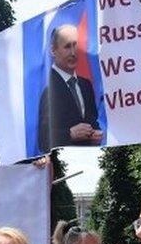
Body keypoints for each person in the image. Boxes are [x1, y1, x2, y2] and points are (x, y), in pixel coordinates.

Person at [37, 24, 102, 153]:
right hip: (64, 166)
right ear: (53, 51)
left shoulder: (86, 85)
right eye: (67, 46)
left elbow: (92, 122)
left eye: (75, 45)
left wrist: (96, 134)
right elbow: (43, 140)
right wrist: (70, 134)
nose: (73, 52)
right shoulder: (48, 91)